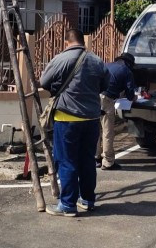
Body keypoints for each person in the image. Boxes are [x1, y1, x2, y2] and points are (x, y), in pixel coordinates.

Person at [40, 27, 110, 217]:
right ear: (83, 41)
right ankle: (87, 200)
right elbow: (106, 84)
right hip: (92, 118)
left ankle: (68, 205)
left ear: (66, 42)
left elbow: (44, 81)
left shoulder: (61, 59)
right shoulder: (97, 61)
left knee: (67, 161)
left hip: (67, 118)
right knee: (87, 160)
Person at [96, 51, 136, 170]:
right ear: (129, 63)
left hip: (93, 97)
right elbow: (130, 94)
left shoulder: (107, 65)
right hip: (107, 99)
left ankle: (95, 158)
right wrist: (134, 97)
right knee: (107, 131)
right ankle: (108, 162)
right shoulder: (127, 71)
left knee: (95, 129)